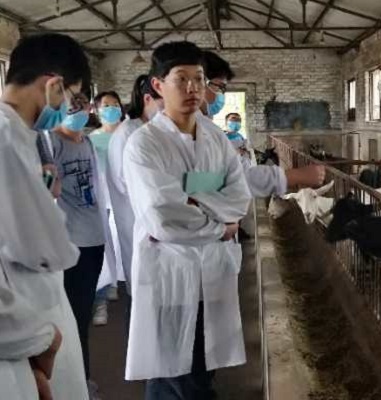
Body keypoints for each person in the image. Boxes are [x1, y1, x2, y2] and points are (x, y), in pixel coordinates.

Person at [123, 41, 251, 400]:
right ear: (158, 85)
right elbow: (163, 218)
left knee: (202, 366)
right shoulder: (144, 145)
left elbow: (239, 197)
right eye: (181, 78)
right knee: (171, 372)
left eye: (199, 78)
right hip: (170, 273)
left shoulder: (216, 139)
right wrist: (219, 226)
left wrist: (192, 199)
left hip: (213, 270)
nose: (193, 87)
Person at [0, 33, 90, 400]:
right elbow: (44, 247)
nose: (67, 108)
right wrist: (41, 340)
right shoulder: (5, 139)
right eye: (69, 97)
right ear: (53, 85)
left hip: (30, 317)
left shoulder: (18, 137)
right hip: (20, 325)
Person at [45, 91, 107, 400]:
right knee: (73, 318)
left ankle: (83, 379)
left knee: (81, 315)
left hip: (94, 237)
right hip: (71, 242)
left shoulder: (86, 142)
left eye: (82, 105)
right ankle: (77, 385)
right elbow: (48, 190)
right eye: (71, 106)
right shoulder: (51, 142)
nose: (77, 110)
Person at [201, 51, 326, 198]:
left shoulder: (207, 128)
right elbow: (203, 183)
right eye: (220, 87)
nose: (221, 95)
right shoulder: (190, 133)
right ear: (200, 83)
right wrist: (292, 176)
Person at [107, 75, 162, 304]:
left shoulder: (154, 129)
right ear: (147, 99)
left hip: (156, 214)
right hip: (135, 214)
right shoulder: (127, 131)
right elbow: (123, 179)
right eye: (163, 102)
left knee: (157, 283)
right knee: (141, 281)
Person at [90, 91, 126, 325]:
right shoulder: (92, 139)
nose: (111, 109)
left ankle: (120, 285)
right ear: (97, 110)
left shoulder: (130, 134)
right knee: (104, 250)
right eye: (106, 105)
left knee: (125, 246)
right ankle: (101, 297)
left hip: (125, 198)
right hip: (101, 199)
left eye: (115, 104)